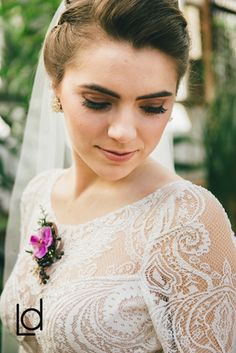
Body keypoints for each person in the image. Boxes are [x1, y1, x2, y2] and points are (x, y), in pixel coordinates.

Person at [0, 0, 236, 352]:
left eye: (153, 107)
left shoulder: (187, 221)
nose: (124, 132)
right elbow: (29, 330)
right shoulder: (41, 193)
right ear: (56, 87)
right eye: (98, 101)